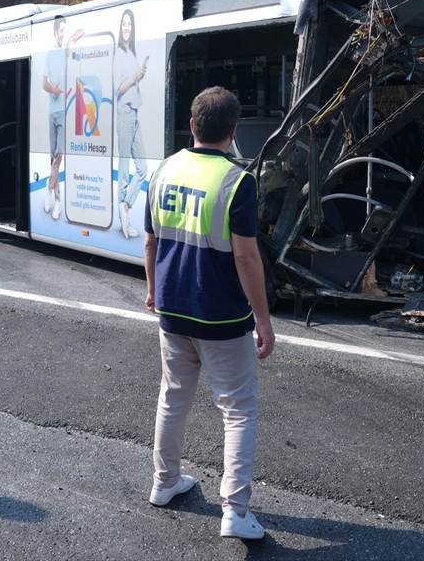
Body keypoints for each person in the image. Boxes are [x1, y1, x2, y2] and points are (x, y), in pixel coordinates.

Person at [143, 86, 275, 541]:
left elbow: (150, 241)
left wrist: (153, 291)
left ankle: (164, 482)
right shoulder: (238, 181)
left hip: (173, 309)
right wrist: (263, 318)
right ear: (233, 131)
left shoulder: (163, 170)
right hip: (221, 317)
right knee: (238, 410)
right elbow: (246, 257)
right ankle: (235, 511)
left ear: (192, 125)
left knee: (173, 396)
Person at [41, 17, 83, 220]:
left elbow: (81, 31)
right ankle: (57, 200)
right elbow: (44, 84)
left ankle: (48, 188)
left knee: (59, 153)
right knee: (53, 156)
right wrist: (54, 90)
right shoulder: (50, 54)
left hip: (64, 111)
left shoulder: (66, 49)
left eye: (65, 31)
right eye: (61, 31)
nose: (63, 34)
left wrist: (70, 40)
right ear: (55, 32)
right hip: (52, 111)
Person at [114, 9, 148, 239]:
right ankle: (123, 218)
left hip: (134, 113)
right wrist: (134, 77)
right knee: (124, 167)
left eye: (130, 24)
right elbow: (118, 89)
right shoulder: (119, 53)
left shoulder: (131, 52)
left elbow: (131, 84)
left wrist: (139, 75)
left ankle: (125, 206)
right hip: (124, 113)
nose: (127, 28)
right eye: (124, 24)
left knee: (143, 168)